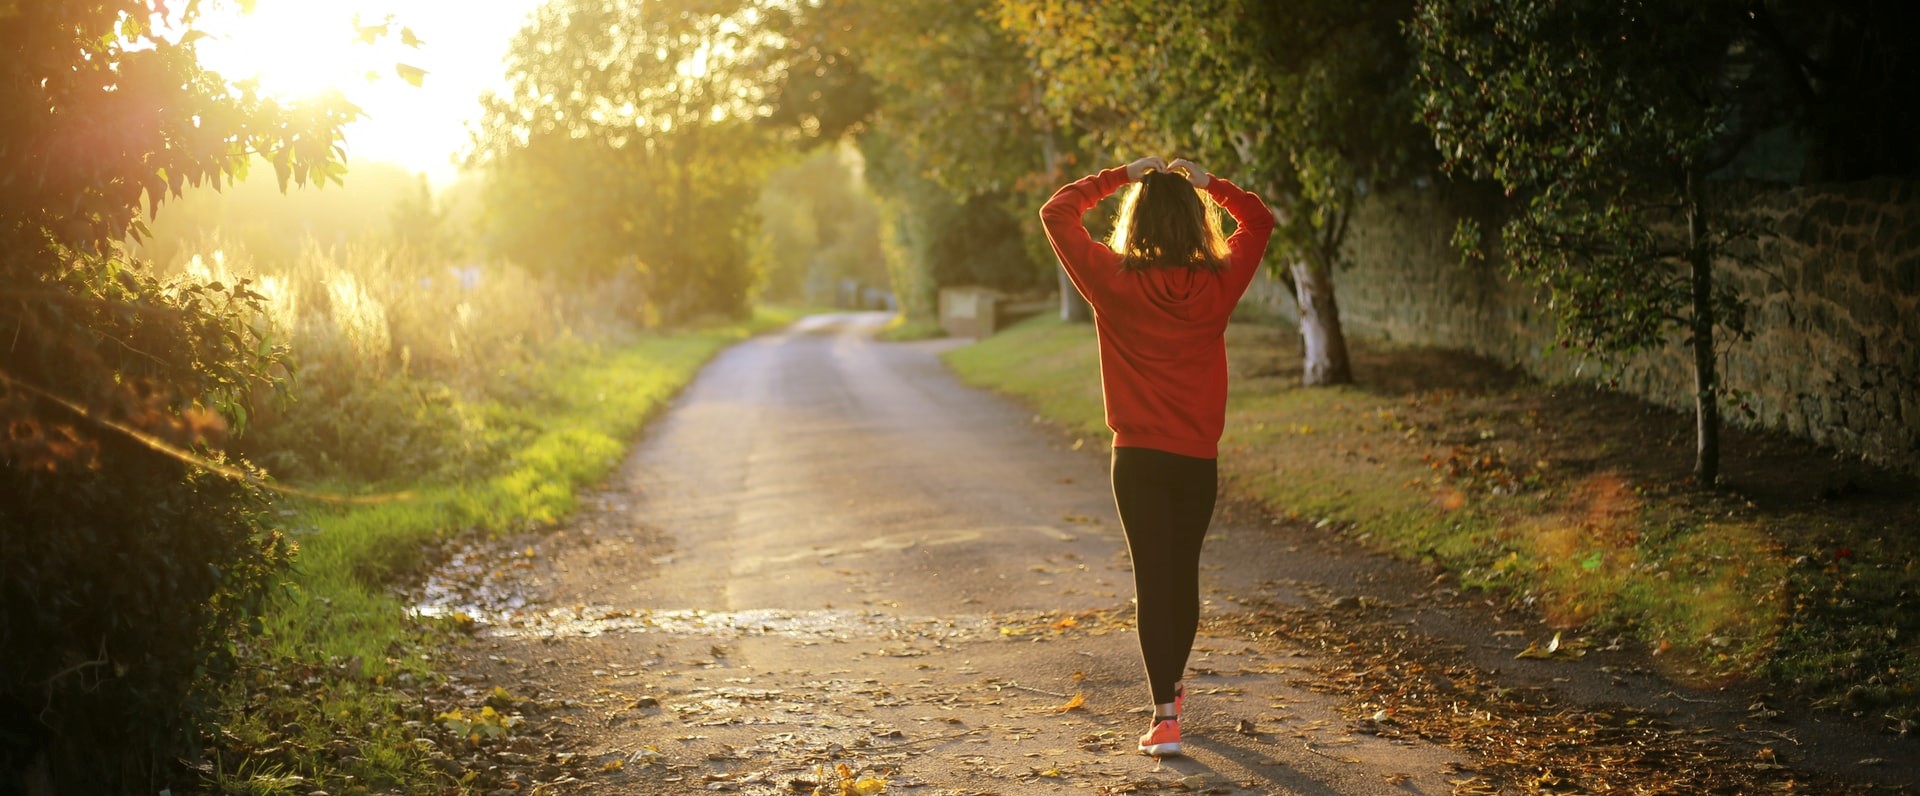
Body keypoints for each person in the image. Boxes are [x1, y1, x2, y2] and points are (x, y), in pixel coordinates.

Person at [1038, 156, 1274, 757]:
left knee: (1153, 577)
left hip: (1137, 457)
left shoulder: (1111, 279)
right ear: (1197, 224)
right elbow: (1260, 220)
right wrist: (1210, 184)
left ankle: (1165, 715)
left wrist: (1120, 175)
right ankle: (1170, 691)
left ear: (1135, 221)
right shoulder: (1219, 281)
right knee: (1183, 574)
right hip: (1196, 458)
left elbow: (1057, 212)